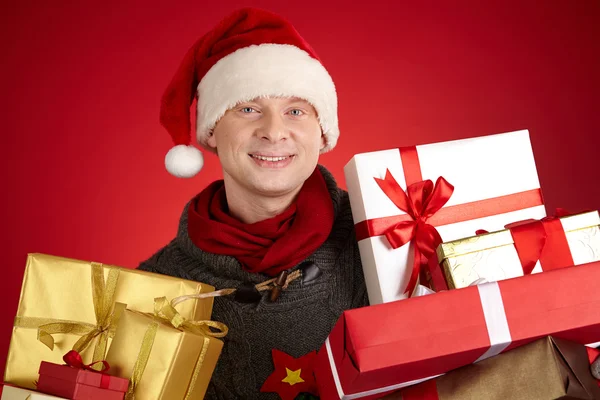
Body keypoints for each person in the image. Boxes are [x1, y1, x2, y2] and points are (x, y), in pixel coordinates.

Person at [137, 7, 368, 399]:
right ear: (212, 131)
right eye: (248, 109)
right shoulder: (155, 288)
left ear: (322, 132)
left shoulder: (385, 239)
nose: (274, 132)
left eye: (296, 111)